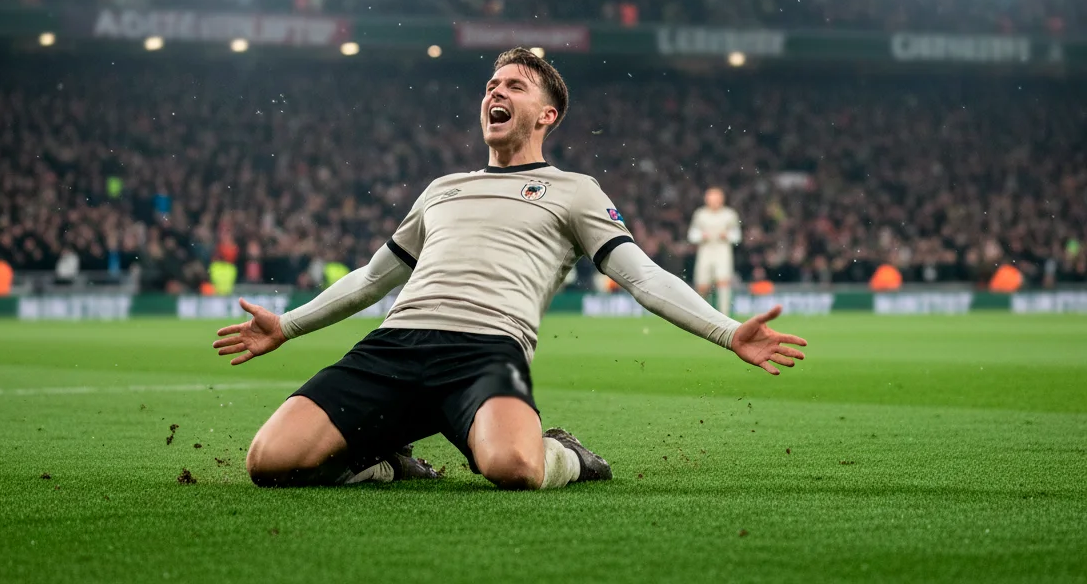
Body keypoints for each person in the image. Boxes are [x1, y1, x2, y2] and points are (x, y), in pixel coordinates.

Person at [213, 48, 807, 491]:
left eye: (514, 86)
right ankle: (384, 461)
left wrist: (728, 331)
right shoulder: (442, 188)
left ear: (547, 114)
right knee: (269, 462)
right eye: (491, 85)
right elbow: (373, 278)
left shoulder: (575, 191)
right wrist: (286, 325)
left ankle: (568, 454)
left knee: (515, 468)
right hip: (396, 345)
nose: (495, 92)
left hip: (486, 350)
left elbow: (644, 277)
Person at [687, 187, 742, 314]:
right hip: (705, 250)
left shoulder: (729, 214)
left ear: (722, 199)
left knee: (723, 282)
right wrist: (701, 236)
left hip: (723, 250)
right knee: (702, 285)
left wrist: (727, 235)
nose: (714, 202)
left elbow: (737, 235)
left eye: (716, 199)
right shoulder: (700, 214)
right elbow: (692, 235)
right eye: (711, 199)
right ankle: (702, 314)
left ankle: (724, 314)